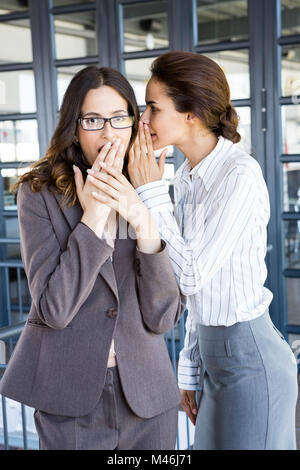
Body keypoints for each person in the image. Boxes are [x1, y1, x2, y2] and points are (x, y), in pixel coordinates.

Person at [99, 51, 298, 450]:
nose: (143, 121)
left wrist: (149, 192)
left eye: (153, 108)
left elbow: (189, 274)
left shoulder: (240, 175)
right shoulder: (187, 177)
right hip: (212, 360)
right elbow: (194, 289)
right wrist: (189, 370)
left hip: (251, 361)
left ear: (190, 112)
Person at [0, 66, 186, 450]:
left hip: (148, 398)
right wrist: (94, 218)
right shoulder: (39, 194)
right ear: (74, 125)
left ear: (134, 123)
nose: (108, 133)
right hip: (70, 401)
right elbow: (54, 309)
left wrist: (142, 220)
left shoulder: (149, 189)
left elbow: (164, 315)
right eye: (93, 120)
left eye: (119, 118)